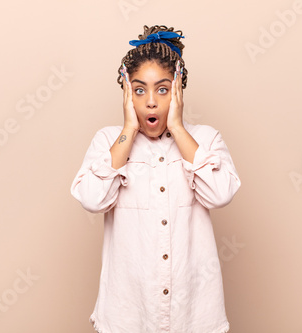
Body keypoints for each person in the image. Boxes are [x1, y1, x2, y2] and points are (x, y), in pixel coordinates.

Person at [71, 24, 241, 333]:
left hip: (193, 314)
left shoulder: (205, 139)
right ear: (127, 94)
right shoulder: (109, 142)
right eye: (139, 90)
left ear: (178, 91)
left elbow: (220, 194)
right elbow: (92, 199)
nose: (151, 101)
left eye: (162, 89)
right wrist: (128, 130)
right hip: (128, 313)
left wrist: (177, 128)